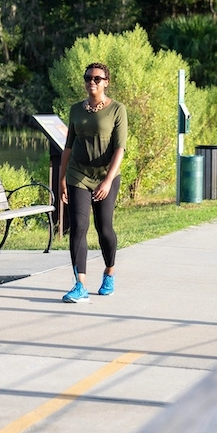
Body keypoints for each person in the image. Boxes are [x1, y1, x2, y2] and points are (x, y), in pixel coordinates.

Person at [58, 62, 127, 303]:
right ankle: (80, 284)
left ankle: (109, 271)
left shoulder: (117, 109)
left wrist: (108, 180)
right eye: (88, 78)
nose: (92, 82)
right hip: (78, 174)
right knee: (78, 227)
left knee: (104, 228)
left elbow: (120, 149)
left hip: (105, 175)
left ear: (106, 82)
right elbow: (68, 146)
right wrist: (62, 178)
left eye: (97, 78)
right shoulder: (76, 109)